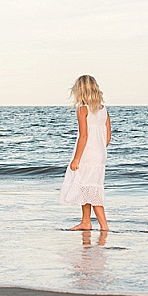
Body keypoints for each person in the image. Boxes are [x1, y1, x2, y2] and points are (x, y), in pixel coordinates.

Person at [59, 75, 111, 231]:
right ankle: (86, 221)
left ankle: (104, 226)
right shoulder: (103, 110)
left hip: (88, 154)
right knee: (87, 188)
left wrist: (76, 159)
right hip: (100, 155)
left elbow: (83, 136)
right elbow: (108, 136)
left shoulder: (83, 110)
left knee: (92, 191)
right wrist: (99, 149)